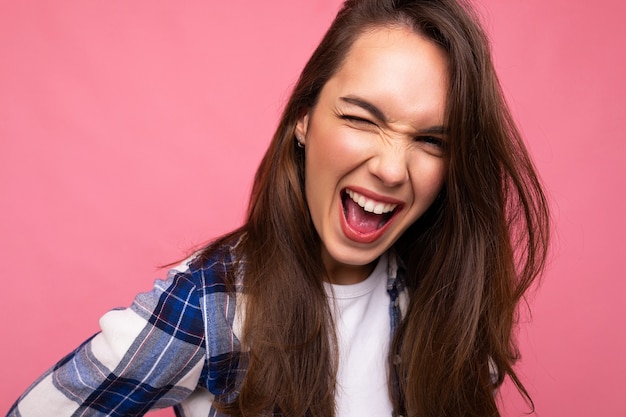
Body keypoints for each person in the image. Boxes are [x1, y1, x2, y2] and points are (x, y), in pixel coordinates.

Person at [7, 0, 550, 416]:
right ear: (304, 119)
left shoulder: (447, 298)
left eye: (431, 141)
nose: (390, 167)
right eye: (362, 119)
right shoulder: (212, 305)